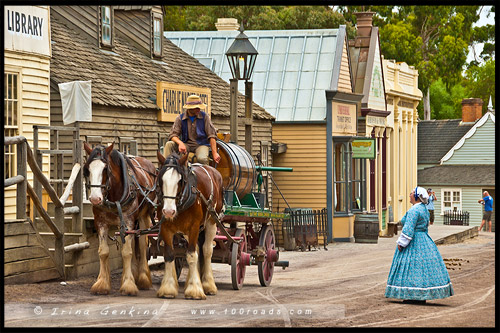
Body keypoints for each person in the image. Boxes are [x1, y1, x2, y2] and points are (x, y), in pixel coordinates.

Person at [385, 186, 454, 304]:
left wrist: (401, 243)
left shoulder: (414, 210)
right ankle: (422, 294)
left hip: (413, 240)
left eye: (411, 193)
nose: (409, 195)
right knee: (423, 268)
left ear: (417, 196)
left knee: (411, 267)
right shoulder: (424, 209)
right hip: (424, 240)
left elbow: (408, 228)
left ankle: (412, 295)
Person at [164, 94, 221, 165]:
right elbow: (173, 135)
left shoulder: (205, 117)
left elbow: (212, 136)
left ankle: (206, 173)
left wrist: (214, 153)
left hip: (201, 145)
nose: (199, 109)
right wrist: (180, 143)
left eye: (199, 107)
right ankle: (166, 167)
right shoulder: (180, 118)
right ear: (190, 108)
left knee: (202, 158)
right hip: (187, 144)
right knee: (169, 144)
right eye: (196, 108)